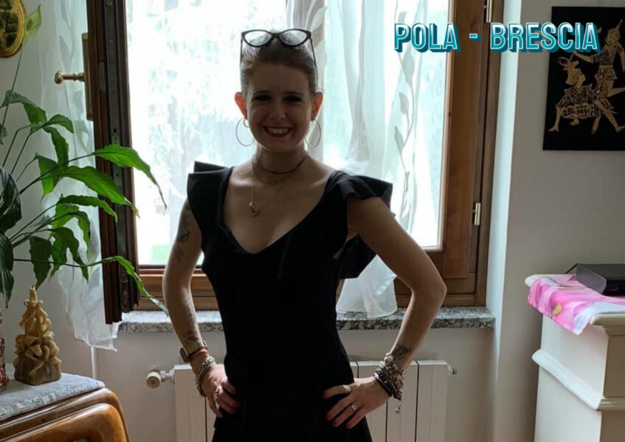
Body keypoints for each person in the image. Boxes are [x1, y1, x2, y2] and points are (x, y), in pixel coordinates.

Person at [163, 28, 447, 442]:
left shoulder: (346, 199)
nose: (277, 113)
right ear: (242, 104)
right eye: (263, 98)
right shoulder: (208, 198)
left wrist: (385, 382)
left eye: (293, 99)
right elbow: (174, 283)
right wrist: (202, 364)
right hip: (243, 416)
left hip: (326, 419)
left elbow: (431, 287)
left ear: (315, 105)